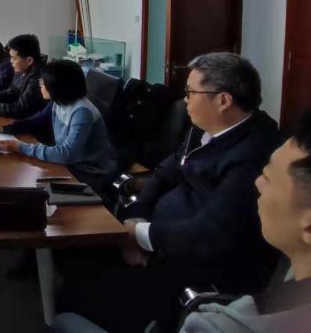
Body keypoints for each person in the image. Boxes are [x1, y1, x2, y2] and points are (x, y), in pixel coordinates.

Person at [56, 52, 283, 333]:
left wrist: (141, 236)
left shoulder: (254, 153)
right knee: (72, 261)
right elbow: (165, 172)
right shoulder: (203, 129)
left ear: (223, 100)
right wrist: (135, 220)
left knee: (77, 295)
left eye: (191, 92)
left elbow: (210, 232)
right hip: (157, 239)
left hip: (192, 267)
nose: (185, 100)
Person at [0, 59, 119, 194]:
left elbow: (67, 153)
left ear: (57, 86)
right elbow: (34, 122)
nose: (41, 85)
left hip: (86, 173)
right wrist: (4, 129)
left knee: (26, 188)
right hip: (67, 165)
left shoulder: (82, 112)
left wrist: (21, 147)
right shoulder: (59, 102)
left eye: (43, 82)